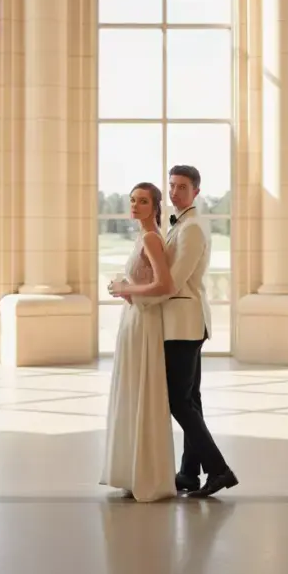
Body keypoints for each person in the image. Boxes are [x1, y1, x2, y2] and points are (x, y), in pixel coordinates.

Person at [156, 165, 237, 498]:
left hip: (184, 323)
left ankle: (219, 470)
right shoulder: (181, 225)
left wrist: (138, 292)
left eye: (182, 187)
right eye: (172, 186)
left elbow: (174, 280)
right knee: (191, 399)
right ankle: (189, 473)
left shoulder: (191, 228)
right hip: (184, 322)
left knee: (179, 401)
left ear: (196, 192)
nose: (175, 192)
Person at [99, 182, 177, 502]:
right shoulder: (144, 237)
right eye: (132, 200)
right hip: (134, 321)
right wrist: (125, 287)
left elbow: (164, 285)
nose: (135, 206)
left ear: (155, 206)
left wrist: (124, 289)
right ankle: (134, 472)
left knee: (141, 392)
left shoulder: (150, 238)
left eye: (143, 201)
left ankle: (147, 475)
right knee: (133, 393)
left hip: (144, 324)